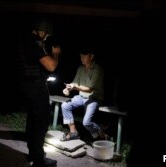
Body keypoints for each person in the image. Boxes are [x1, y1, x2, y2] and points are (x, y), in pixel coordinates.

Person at [20, 19, 60, 167]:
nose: (46, 37)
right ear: (41, 30)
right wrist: (56, 54)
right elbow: (51, 66)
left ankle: (33, 154)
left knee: (32, 120)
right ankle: (39, 160)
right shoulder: (35, 43)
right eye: (47, 34)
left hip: (27, 86)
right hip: (36, 87)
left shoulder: (24, 41)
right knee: (41, 121)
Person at [60, 46, 108, 142]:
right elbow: (74, 83)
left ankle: (98, 133)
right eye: (81, 56)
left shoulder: (98, 70)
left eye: (84, 57)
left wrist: (75, 87)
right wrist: (68, 89)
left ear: (91, 57)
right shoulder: (80, 69)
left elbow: (90, 89)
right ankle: (73, 132)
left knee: (86, 122)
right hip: (81, 97)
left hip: (94, 98)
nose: (81, 59)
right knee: (65, 105)